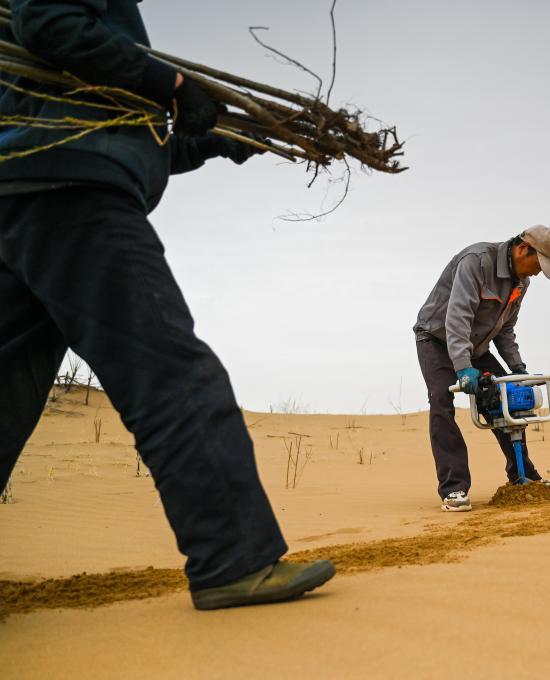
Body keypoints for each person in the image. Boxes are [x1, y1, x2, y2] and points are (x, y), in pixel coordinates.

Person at [0, 0, 334, 609]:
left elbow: (117, 131)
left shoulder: (43, 90)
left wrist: (213, 141)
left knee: (6, 388)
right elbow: (48, 22)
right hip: (74, 196)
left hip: (23, 190)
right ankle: (234, 559)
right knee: (170, 373)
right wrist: (174, 84)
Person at [414, 225, 550, 511]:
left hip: (476, 345)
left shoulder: (521, 282)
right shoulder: (477, 262)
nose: (537, 273)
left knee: (507, 399)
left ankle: (523, 476)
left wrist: (517, 368)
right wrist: (463, 368)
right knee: (442, 401)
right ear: (523, 249)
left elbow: (505, 328)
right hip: (436, 339)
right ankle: (454, 488)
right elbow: (457, 317)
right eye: (538, 265)